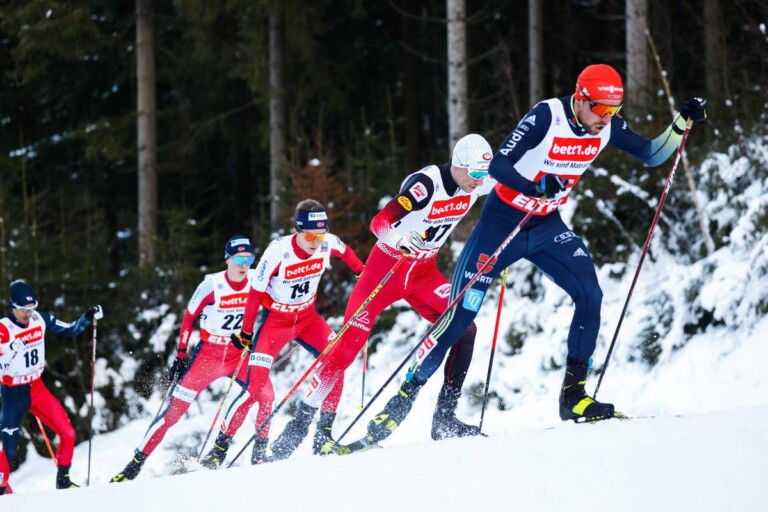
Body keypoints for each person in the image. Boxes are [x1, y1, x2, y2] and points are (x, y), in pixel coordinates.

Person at [343, 64, 708, 449]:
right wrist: (536, 185)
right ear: (581, 99)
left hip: (547, 227)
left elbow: (651, 154)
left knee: (590, 295)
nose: (608, 119)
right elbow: (500, 165)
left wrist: (681, 123)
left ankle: (574, 397)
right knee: (460, 317)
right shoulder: (547, 116)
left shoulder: (609, 128)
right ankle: (403, 401)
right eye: (601, 109)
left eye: (614, 111)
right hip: (502, 225)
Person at [281, 133, 496, 455]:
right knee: (344, 353)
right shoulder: (426, 184)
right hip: (385, 274)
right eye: (476, 175)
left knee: (466, 328)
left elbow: (509, 176)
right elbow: (379, 222)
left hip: (423, 274)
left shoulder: (474, 181)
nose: (479, 183)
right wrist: (398, 240)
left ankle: (445, 418)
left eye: (483, 176)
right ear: (459, 165)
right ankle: (306, 428)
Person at [200, 199, 364, 465]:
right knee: (254, 389)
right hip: (275, 323)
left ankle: (323, 436)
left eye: (320, 235)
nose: (315, 241)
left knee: (338, 360)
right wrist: (246, 331)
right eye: (310, 235)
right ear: (297, 230)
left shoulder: (327, 242)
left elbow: (348, 255)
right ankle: (219, 450)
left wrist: (362, 274)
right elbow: (255, 293)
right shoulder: (278, 252)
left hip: (308, 319)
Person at [111, 235, 270, 482]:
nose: (244, 264)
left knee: (267, 395)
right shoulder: (211, 285)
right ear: (227, 259)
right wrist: (180, 355)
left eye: (249, 258)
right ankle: (134, 466)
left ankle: (256, 454)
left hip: (239, 354)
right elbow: (188, 318)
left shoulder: (256, 281)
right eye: (239, 258)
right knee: (173, 413)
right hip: (208, 356)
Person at [0, 280, 102, 494]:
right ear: (13, 307)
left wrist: (87, 317)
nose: (28, 314)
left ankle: (63, 480)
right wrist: (9, 350)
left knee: (68, 432)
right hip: (12, 394)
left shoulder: (40, 319)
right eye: (23, 310)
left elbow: (71, 329)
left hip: (37, 389)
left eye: (31, 308)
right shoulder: (3, 329)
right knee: (8, 450)